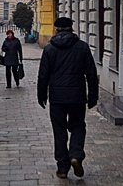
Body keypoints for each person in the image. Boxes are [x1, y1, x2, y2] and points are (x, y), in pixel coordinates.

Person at [37, 16, 99, 179]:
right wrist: (93, 95)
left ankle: (62, 168)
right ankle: (76, 155)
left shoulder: (50, 49)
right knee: (78, 126)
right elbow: (91, 74)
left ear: (56, 30)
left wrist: (41, 95)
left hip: (57, 97)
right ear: (72, 29)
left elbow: (43, 75)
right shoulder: (82, 47)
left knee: (59, 131)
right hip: (77, 95)